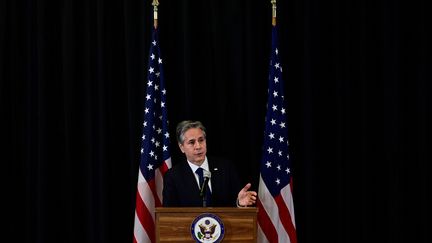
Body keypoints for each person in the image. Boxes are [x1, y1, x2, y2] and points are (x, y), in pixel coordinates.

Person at [162, 120, 257, 207]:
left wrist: (239, 203)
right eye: (191, 142)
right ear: (181, 147)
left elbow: (236, 201)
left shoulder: (226, 168)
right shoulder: (173, 176)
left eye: (201, 140)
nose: (198, 146)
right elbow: (170, 213)